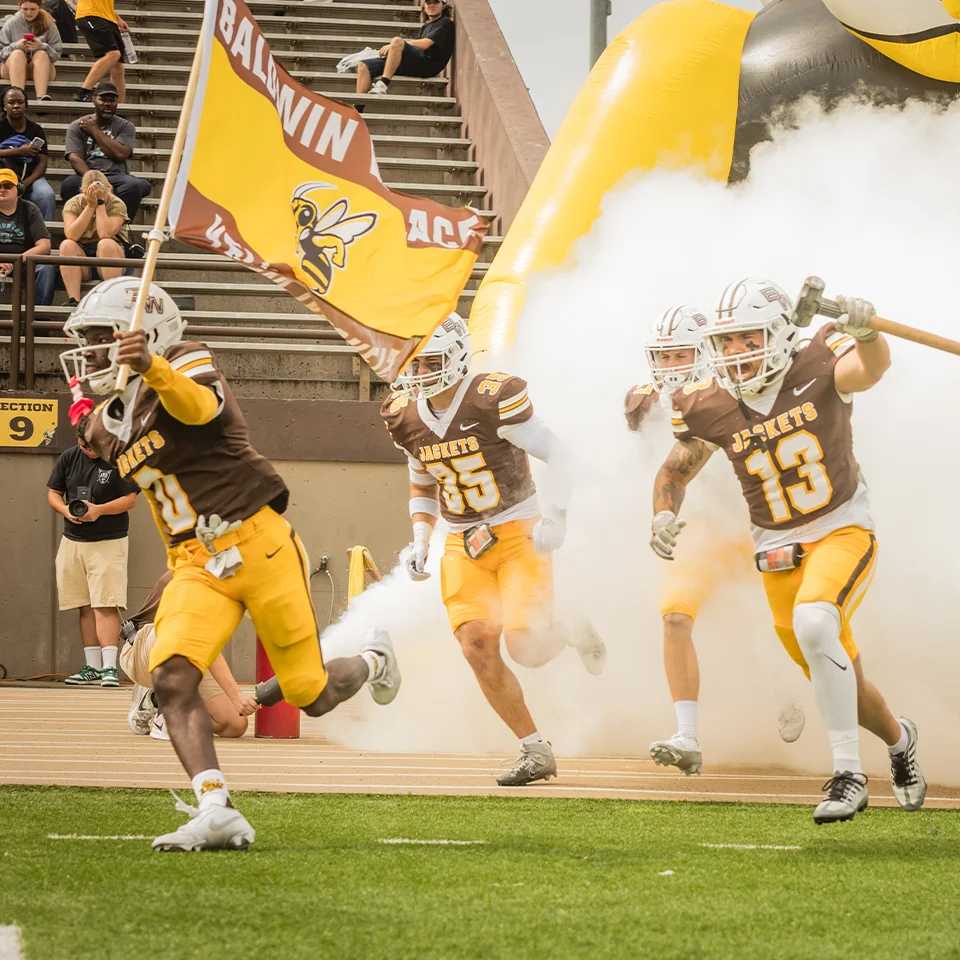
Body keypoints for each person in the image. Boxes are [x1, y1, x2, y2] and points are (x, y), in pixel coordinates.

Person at [62, 276, 401, 852]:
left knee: (310, 694)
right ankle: (215, 806)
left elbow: (197, 409)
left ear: (142, 333)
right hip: (195, 563)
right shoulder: (109, 417)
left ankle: (372, 659)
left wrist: (151, 367)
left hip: (257, 542)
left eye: (99, 337)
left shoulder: (186, 362)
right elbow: (94, 431)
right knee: (171, 676)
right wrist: (106, 401)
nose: (91, 352)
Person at [650, 277, 926, 824]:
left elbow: (870, 370)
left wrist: (868, 332)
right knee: (840, 673)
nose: (734, 353)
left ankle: (848, 774)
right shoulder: (709, 404)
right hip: (775, 547)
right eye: (726, 342)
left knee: (816, 625)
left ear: (778, 334)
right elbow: (674, 469)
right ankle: (900, 742)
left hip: (841, 528)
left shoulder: (820, 360)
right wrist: (662, 510)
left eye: (747, 339)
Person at [381, 313, 606, 787]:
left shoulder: (491, 398)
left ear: (459, 356)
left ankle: (567, 630)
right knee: (476, 644)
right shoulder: (406, 414)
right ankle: (533, 748)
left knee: (524, 646)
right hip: (462, 540)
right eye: (416, 364)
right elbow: (424, 476)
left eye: (431, 362)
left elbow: (561, 455)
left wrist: (556, 517)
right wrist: (421, 534)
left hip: (517, 529)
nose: (420, 374)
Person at [629, 306, 805, 775]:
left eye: (680, 355)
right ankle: (687, 733)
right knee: (674, 616)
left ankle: (784, 685)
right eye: (661, 357)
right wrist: (662, 514)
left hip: (767, 522)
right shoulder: (648, 402)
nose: (670, 368)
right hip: (707, 529)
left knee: (781, 621)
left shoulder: (731, 393)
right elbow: (662, 468)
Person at [47, 416, 138, 688]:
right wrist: (66, 510)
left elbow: (130, 500)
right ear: (79, 440)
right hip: (72, 541)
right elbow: (53, 492)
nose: (93, 450)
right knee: (84, 605)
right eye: (88, 446)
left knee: (105, 604)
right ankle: (93, 667)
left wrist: (98, 510)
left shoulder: (119, 458)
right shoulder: (68, 457)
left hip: (108, 541)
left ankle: (110, 667)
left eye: (98, 444)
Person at [123, 571, 258, 741]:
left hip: (187, 654)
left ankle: (154, 698)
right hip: (141, 649)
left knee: (234, 724)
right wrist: (237, 695)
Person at [61, 81, 150, 220]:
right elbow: (74, 158)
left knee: (135, 186)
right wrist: (92, 179)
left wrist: (95, 131)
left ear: (117, 102)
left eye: (112, 100)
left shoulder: (125, 126)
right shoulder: (77, 126)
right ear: (93, 100)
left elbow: (121, 154)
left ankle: (118, 229)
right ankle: (82, 227)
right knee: (69, 185)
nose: (107, 104)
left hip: (117, 176)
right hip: (88, 174)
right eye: (103, 99)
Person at [59, 168, 128, 305]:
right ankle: (74, 300)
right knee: (66, 245)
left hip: (111, 256)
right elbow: (72, 235)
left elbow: (105, 234)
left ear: (108, 188)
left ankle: (111, 300)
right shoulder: (73, 203)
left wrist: (100, 204)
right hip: (83, 255)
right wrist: (90, 206)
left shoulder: (116, 204)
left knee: (105, 243)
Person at [357, 0, 455, 95]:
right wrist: (393, 53)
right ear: (424, 7)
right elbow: (415, 48)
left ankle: (383, 84)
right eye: (428, 3)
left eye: (436, 2)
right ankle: (358, 108)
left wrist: (394, 46)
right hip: (416, 62)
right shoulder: (426, 25)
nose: (432, 5)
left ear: (443, 6)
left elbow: (425, 44)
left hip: (428, 66)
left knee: (397, 41)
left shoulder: (445, 23)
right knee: (364, 66)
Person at [0, 166, 54, 305]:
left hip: (23, 263)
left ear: (18, 189)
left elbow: (44, 245)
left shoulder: (30, 209)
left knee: (45, 269)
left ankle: (38, 322)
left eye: (7, 185)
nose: (2, 189)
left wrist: (16, 261)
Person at [0, 85, 54, 218]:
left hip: (30, 178)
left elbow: (42, 163)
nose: (16, 106)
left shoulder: (36, 130)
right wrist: (18, 151)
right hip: (2, 176)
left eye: (20, 102)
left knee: (46, 194)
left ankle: (44, 235)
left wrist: (25, 183)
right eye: (11, 102)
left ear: (26, 105)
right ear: (4, 106)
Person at [0, 1, 61, 101]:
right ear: (19, 6)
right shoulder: (11, 23)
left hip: (41, 69)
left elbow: (56, 55)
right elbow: (1, 53)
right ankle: (18, 97)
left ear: (40, 7)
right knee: (17, 54)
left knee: (41, 54)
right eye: (25, 9)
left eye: (33, 9)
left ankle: (41, 97)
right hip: (12, 68)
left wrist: (41, 46)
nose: (29, 12)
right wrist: (16, 46)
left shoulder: (48, 23)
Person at [71, 0, 128, 102]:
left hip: (108, 18)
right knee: (113, 54)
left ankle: (119, 109)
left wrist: (117, 19)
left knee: (118, 65)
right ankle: (83, 92)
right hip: (91, 14)